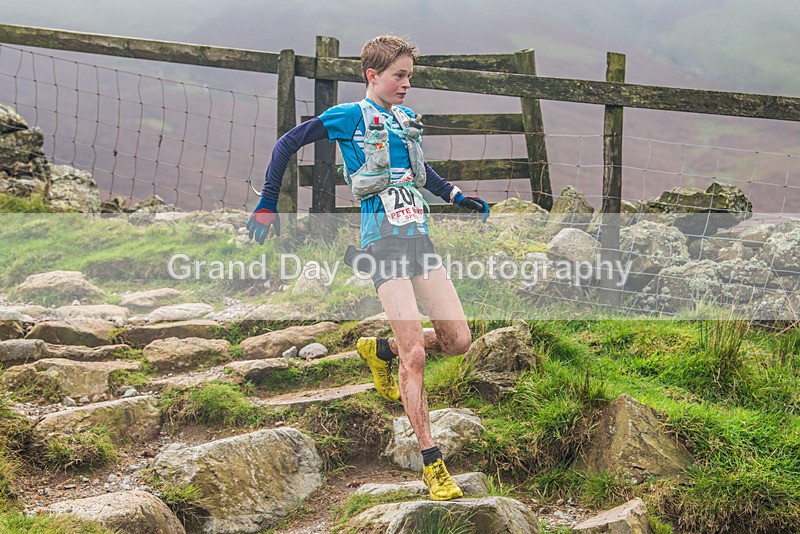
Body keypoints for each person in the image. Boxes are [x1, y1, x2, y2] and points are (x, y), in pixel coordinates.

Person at [246, 35, 490, 501]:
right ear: (372, 75)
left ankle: (380, 350)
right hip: (381, 243)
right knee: (415, 354)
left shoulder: (404, 118)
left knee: (458, 340)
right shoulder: (349, 116)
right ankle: (433, 465)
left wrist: (458, 196)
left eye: (410, 77)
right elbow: (287, 143)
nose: (406, 84)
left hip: (419, 239)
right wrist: (268, 201)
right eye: (399, 76)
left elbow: (418, 173)